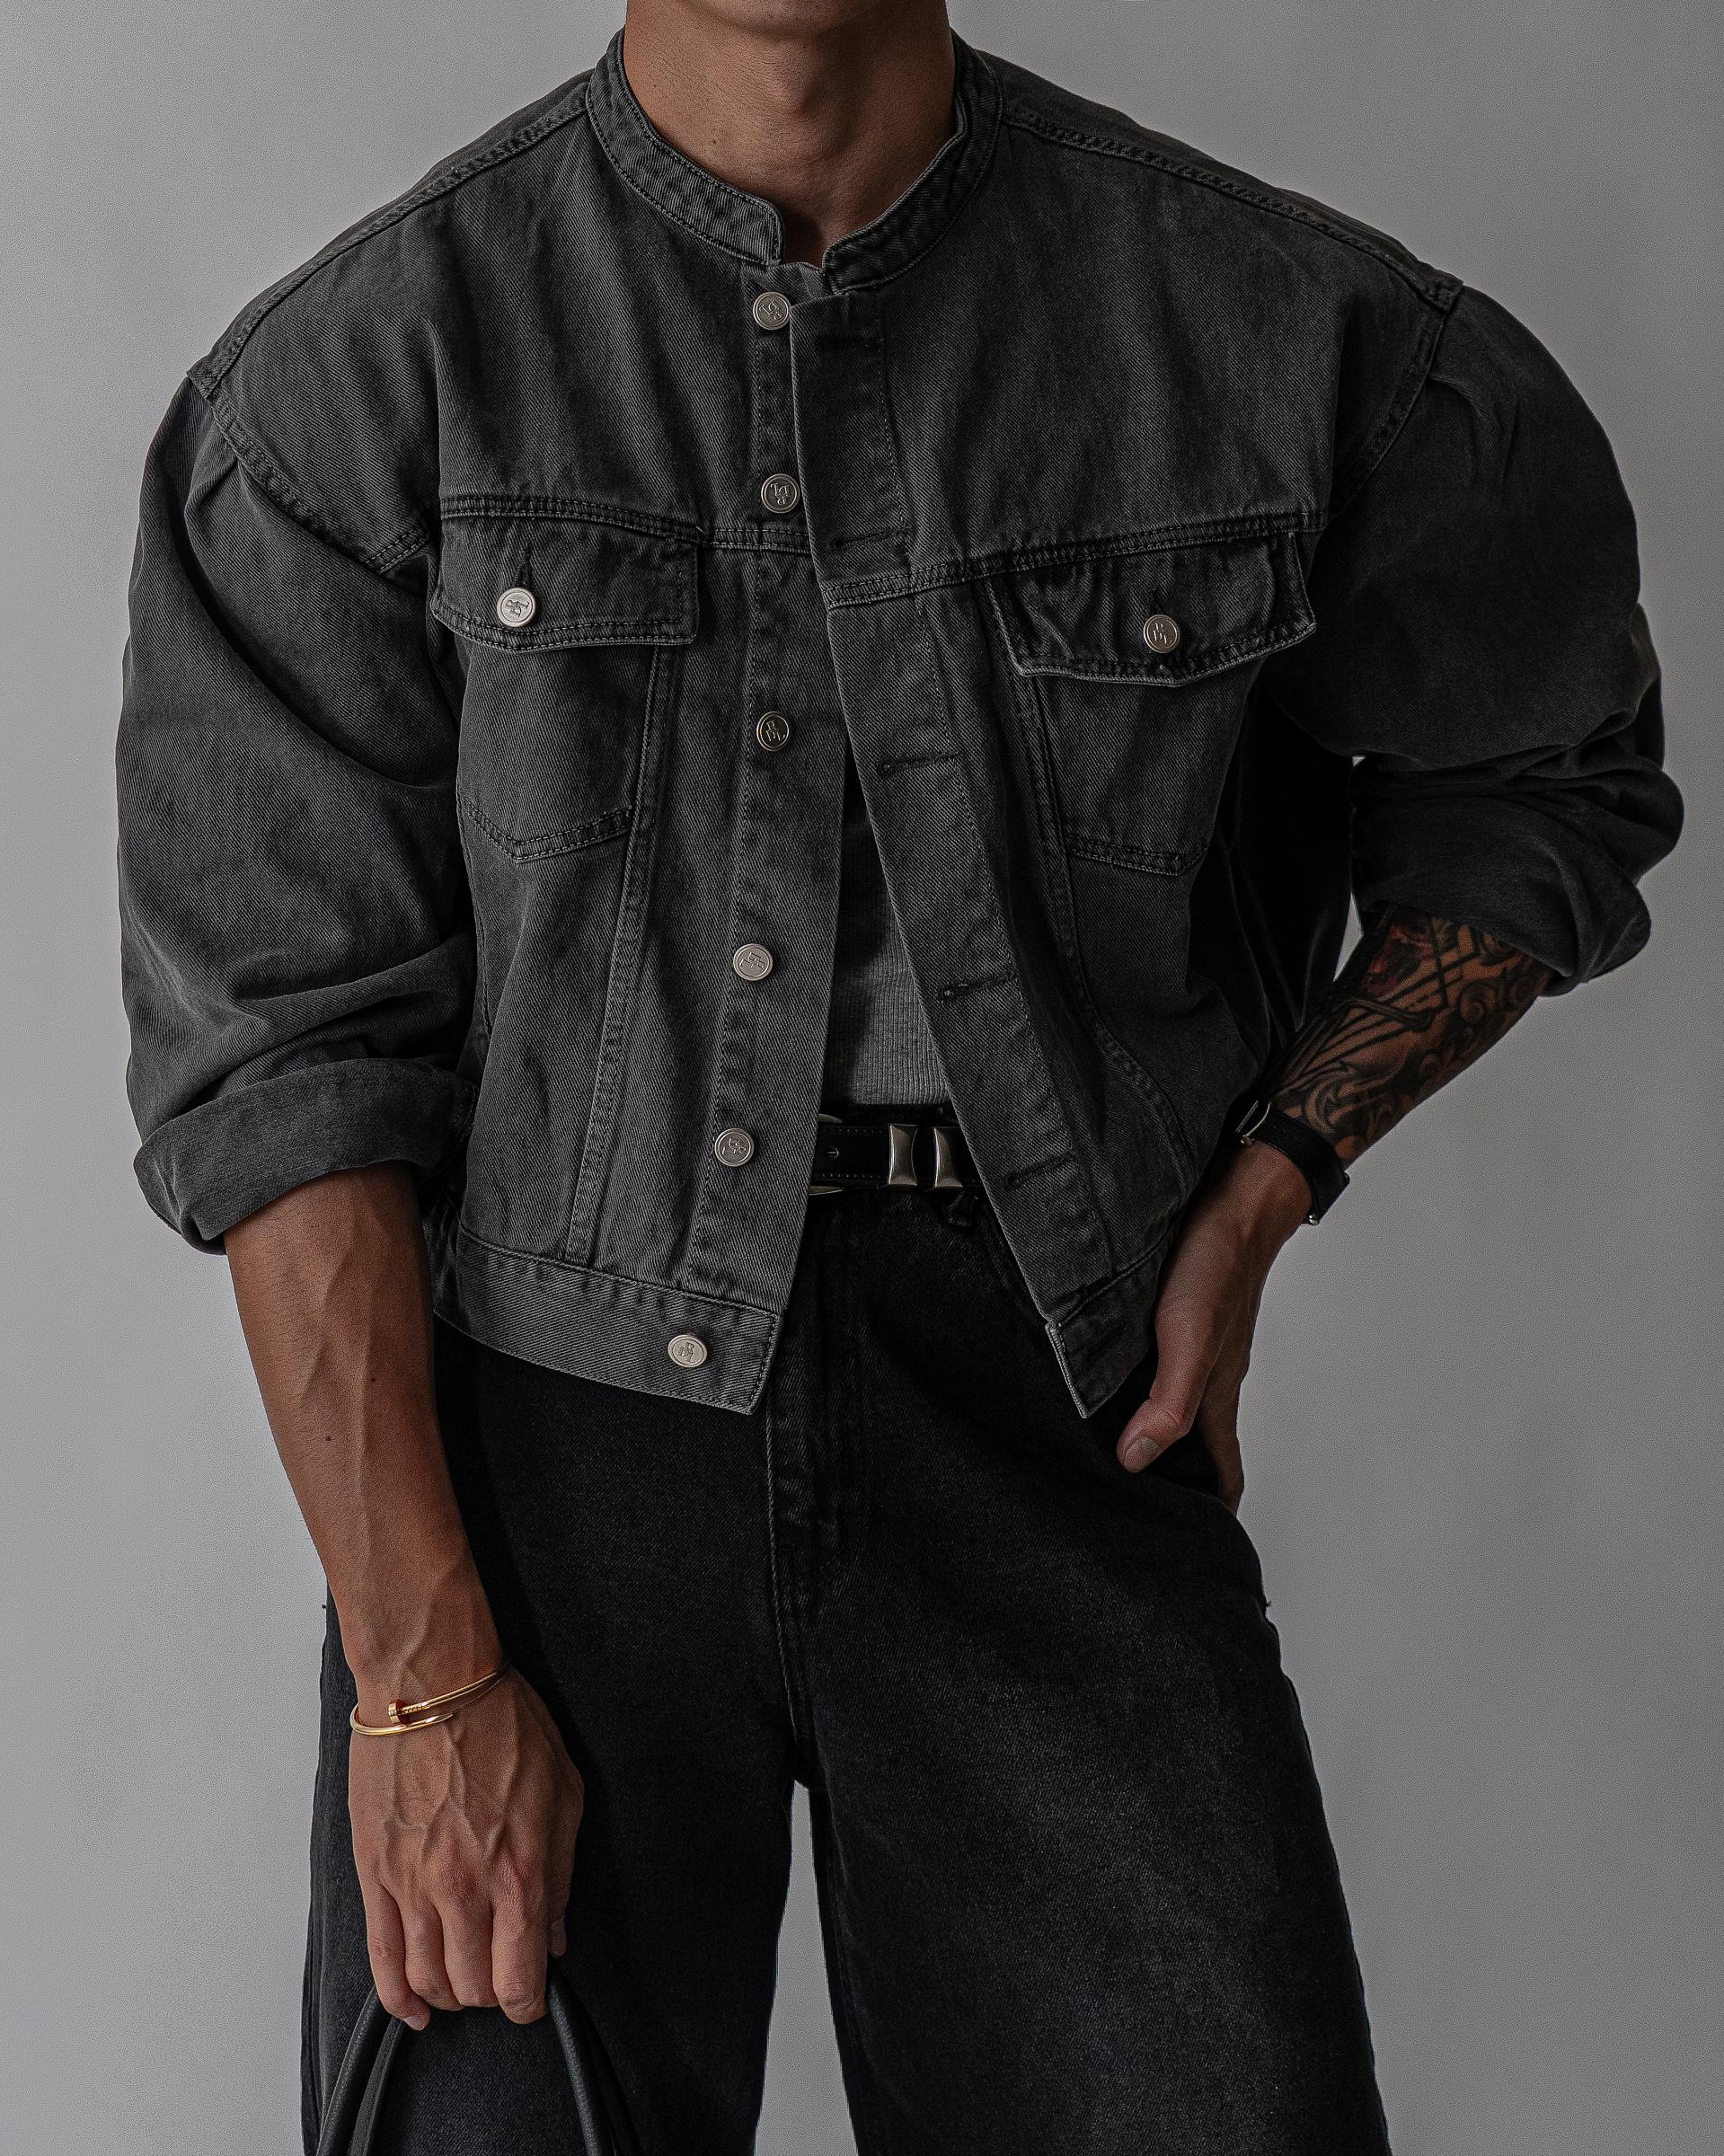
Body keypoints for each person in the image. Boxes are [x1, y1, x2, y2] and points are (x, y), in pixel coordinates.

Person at [114, 2, 1681, 2150]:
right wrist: (421, 1672)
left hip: (1055, 1403)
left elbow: (1548, 775)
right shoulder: (354, 382)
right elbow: (286, 1071)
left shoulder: (1275, 331)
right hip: (542, 1464)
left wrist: (1277, 1172)